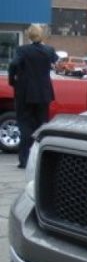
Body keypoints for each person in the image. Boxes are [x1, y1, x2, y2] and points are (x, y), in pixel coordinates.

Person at [8, 24, 58, 168]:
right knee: (42, 125)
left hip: (25, 93)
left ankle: (24, 160)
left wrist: (13, 81)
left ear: (29, 35)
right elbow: (55, 62)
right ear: (41, 35)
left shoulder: (22, 50)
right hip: (43, 93)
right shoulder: (49, 50)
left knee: (25, 125)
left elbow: (13, 64)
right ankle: (40, 161)